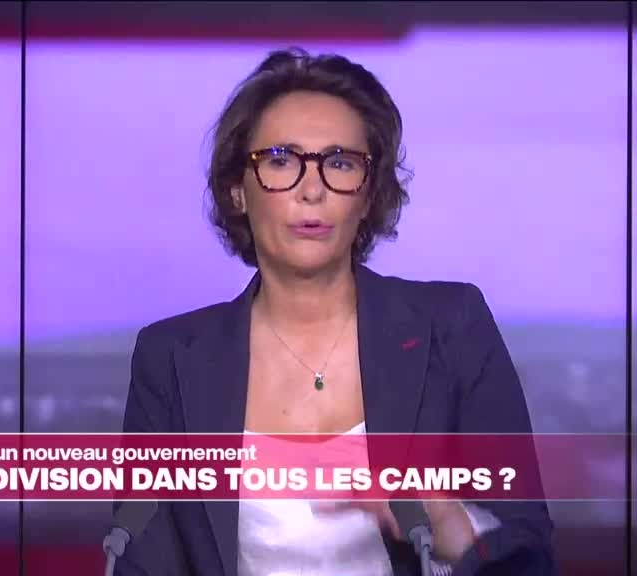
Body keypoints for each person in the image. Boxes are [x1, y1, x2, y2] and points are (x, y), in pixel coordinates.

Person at [116, 47, 555, 576]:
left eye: (340, 163)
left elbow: (530, 552)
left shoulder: (452, 326)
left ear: (368, 195)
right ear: (237, 191)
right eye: (281, 160)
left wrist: (456, 530)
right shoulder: (171, 357)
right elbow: (145, 559)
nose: (312, 189)